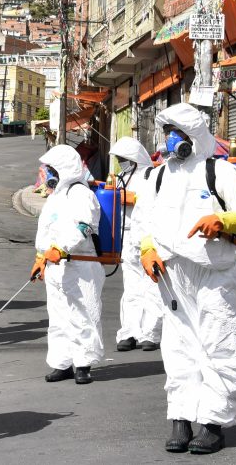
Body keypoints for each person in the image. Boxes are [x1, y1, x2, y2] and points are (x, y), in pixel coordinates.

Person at [134, 103, 236, 455]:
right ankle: (181, 418)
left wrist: (225, 222)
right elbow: (144, 222)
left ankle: (213, 423)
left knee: (219, 344)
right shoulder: (157, 176)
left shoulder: (217, 171)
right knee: (177, 348)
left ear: (193, 137)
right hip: (173, 276)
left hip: (214, 274)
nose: (170, 139)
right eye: (167, 131)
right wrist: (147, 250)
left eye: (177, 132)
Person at [29, 144, 105, 385]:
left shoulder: (81, 194)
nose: (49, 174)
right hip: (55, 266)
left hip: (80, 263)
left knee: (83, 314)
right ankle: (62, 363)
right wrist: (40, 258)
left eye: (52, 169)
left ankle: (83, 364)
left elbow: (84, 226)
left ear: (64, 169)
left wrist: (61, 248)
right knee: (58, 315)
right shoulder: (56, 197)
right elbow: (45, 229)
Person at [108, 137, 163, 352]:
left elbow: (154, 202)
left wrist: (131, 198)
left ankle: (150, 333)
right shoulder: (121, 177)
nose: (121, 161)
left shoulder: (152, 176)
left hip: (148, 237)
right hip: (126, 238)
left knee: (152, 286)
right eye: (119, 158)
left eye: (124, 158)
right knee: (131, 289)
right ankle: (129, 332)